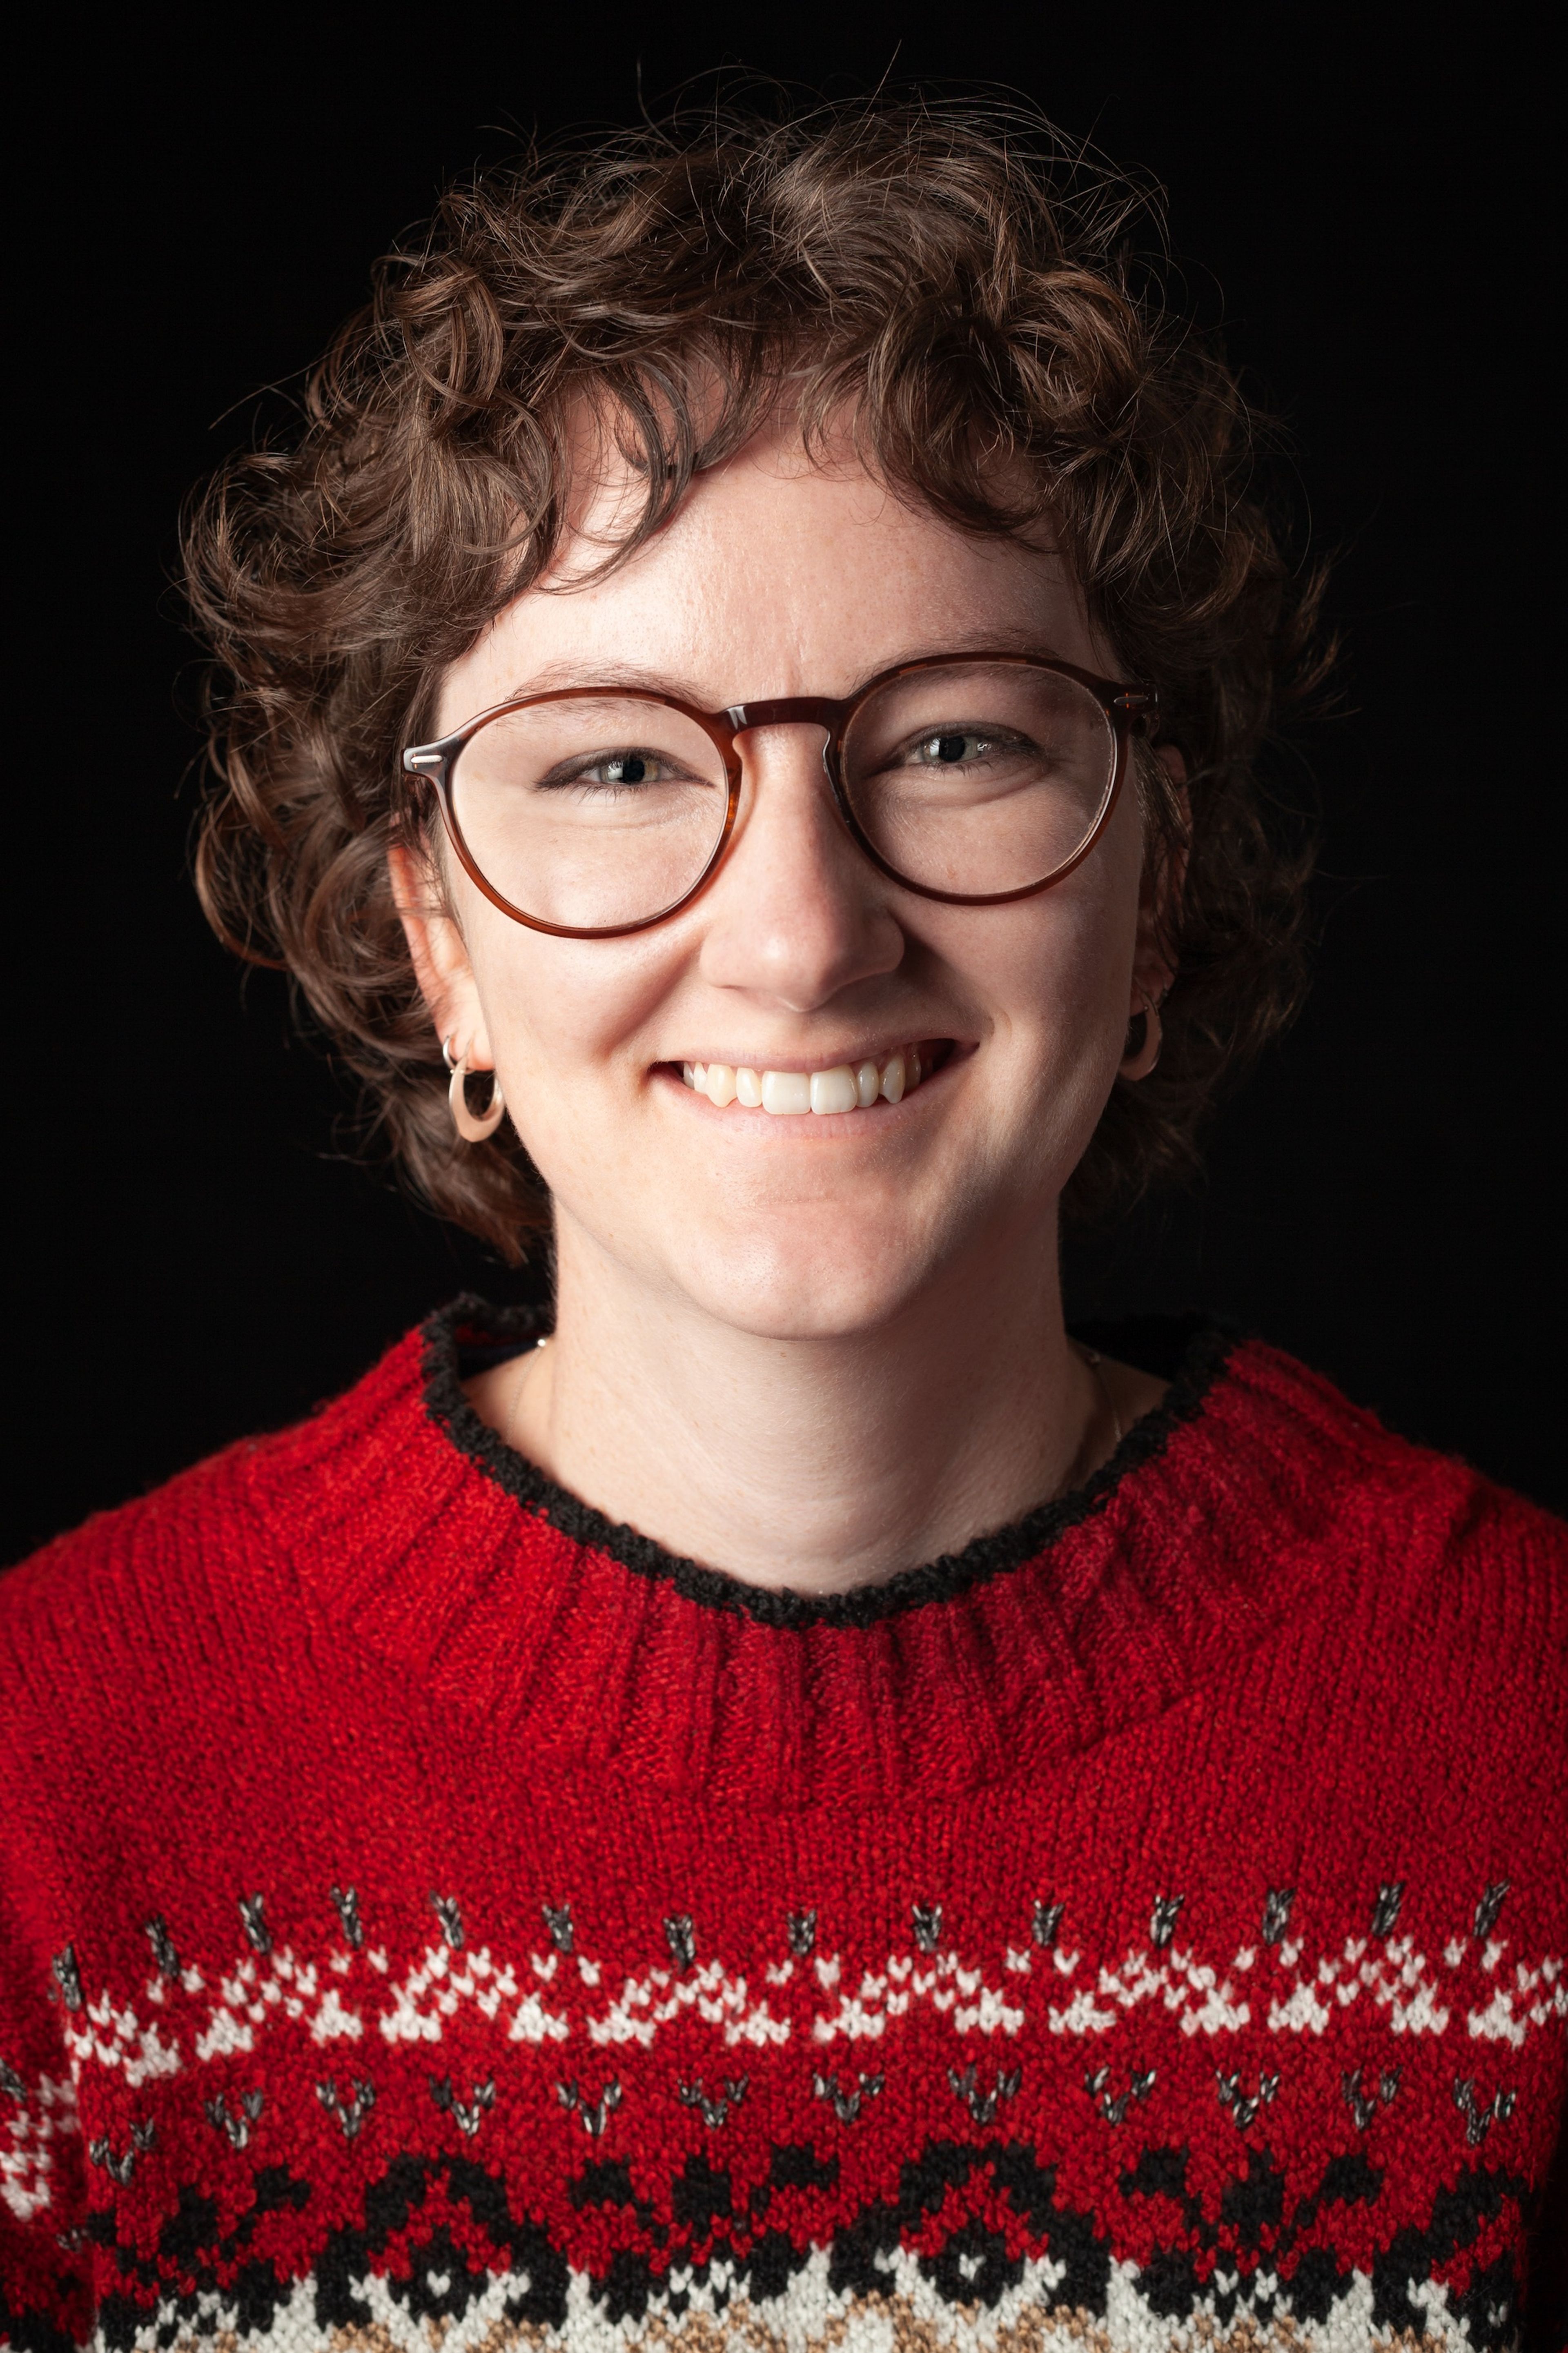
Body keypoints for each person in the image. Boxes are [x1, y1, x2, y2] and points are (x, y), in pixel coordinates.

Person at [1, 93, 1563, 2353]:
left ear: (1154, 883)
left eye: (955, 744)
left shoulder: (1521, 1743)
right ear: (436, 930)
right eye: (619, 762)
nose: (805, 934)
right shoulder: (57, 1792)